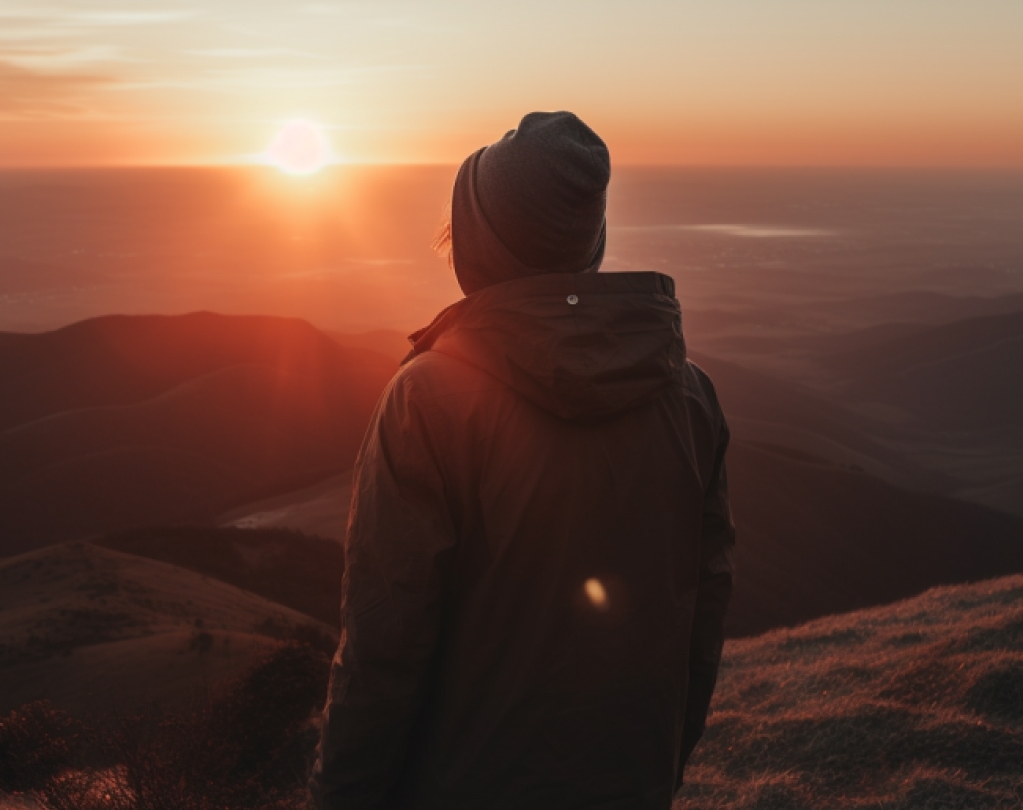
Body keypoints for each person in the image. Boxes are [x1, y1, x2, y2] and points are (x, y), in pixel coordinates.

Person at [309, 111, 734, 810]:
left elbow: (383, 652)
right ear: (590, 243)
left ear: (480, 247)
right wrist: (658, 766)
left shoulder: (428, 401)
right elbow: (702, 614)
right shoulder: (691, 401)